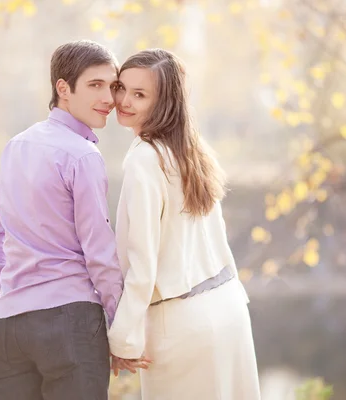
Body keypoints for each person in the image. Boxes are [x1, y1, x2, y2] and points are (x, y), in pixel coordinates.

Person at [0, 40, 133, 400]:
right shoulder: (83, 156)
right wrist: (120, 324)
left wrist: (11, 288)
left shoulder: (17, 145)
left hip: (9, 324)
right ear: (63, 88)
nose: (109, 98)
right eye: (95, 85)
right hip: (71, 321)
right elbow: (99, 252)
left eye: (112, 86)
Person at [107, 49, 262, 399]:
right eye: (121, 88)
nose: (123, 101)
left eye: (140, 94)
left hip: (181, 323)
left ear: (164, 103)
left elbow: (141, 264)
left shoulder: (145, 159)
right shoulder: (192, 150)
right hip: (228, 308)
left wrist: (123, 339)